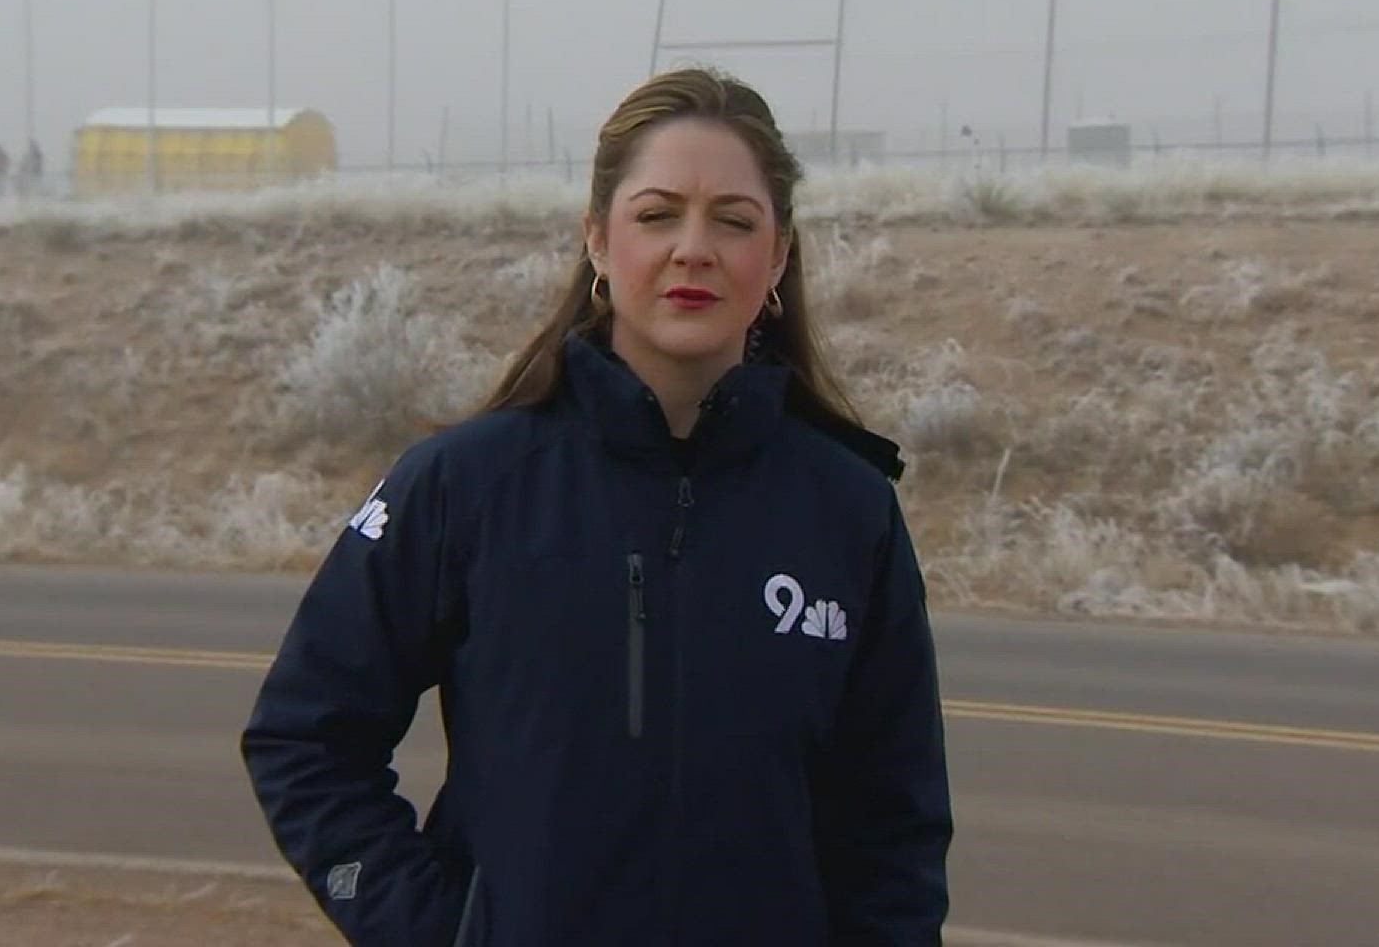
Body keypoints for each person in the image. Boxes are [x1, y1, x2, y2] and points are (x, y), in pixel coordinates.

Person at [241, 67, 953, 946]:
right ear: (597, 241)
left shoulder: (849, 510)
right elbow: (305, 738)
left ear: (776, 257)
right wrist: (437, 931)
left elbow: (895, 826)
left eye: (733, 221)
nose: (693, 249)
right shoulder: (466, 484)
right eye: (657, 215)